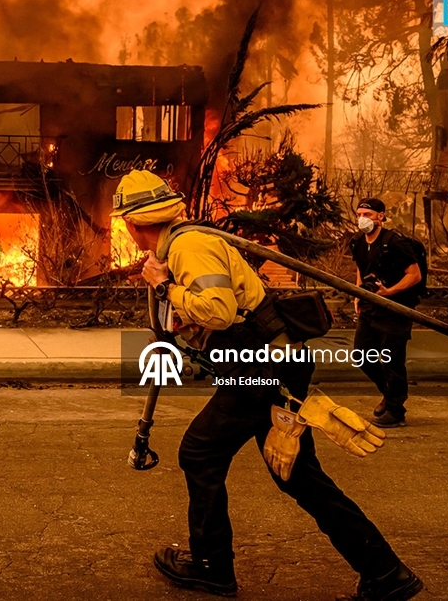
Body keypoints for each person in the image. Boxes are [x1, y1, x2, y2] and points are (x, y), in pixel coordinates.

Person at [112, 170, 422, 600]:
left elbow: (218, 311)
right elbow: (220, 312)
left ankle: (211, 566)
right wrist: (177, 319)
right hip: (272, 363)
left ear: (132, 223)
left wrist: (163, 286)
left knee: (200, 452)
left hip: (262, 370)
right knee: (297, 476)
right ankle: (386, 572)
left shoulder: (189, 246)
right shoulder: (183, 244)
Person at [348, 198, 422, 428]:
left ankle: (396, 410)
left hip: (395, 309)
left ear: (381, 216)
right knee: (361, 355)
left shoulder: (395, 242)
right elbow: (361, 268)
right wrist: (358, 294)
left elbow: (414, 275)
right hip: (370, 309)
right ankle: (391, 396)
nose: (363, 219)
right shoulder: (358, 241)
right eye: (359, 214)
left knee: (392, 361)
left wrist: (389, 292)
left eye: (368, 215)